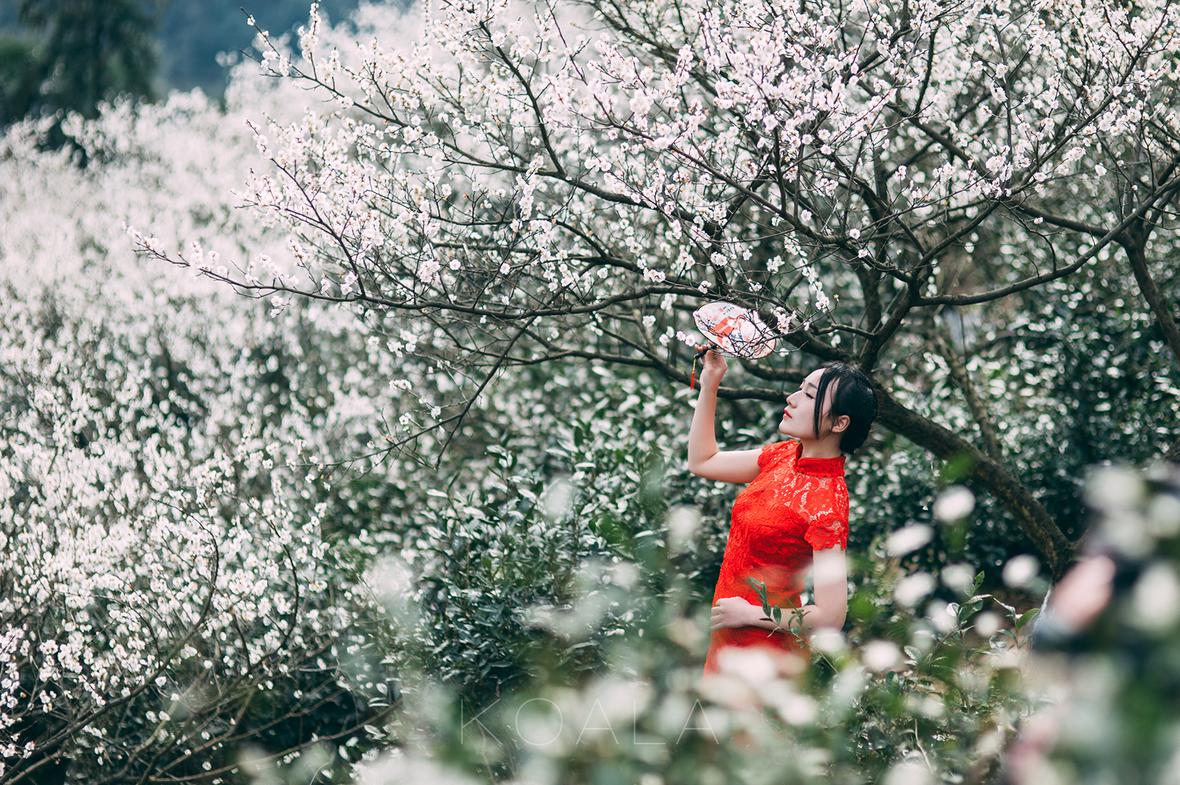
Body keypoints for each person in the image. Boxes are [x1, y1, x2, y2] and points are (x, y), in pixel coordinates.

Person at [687, 344, 878, 676]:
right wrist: (711, 382)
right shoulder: (783, 456)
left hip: (766, 654)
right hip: (727, 635)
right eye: (800, 388)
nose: (792, 398)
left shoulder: (827, 505)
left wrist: (750, 615)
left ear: (839, 423)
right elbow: (702, 461)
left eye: (809, 395)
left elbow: (831, 616)